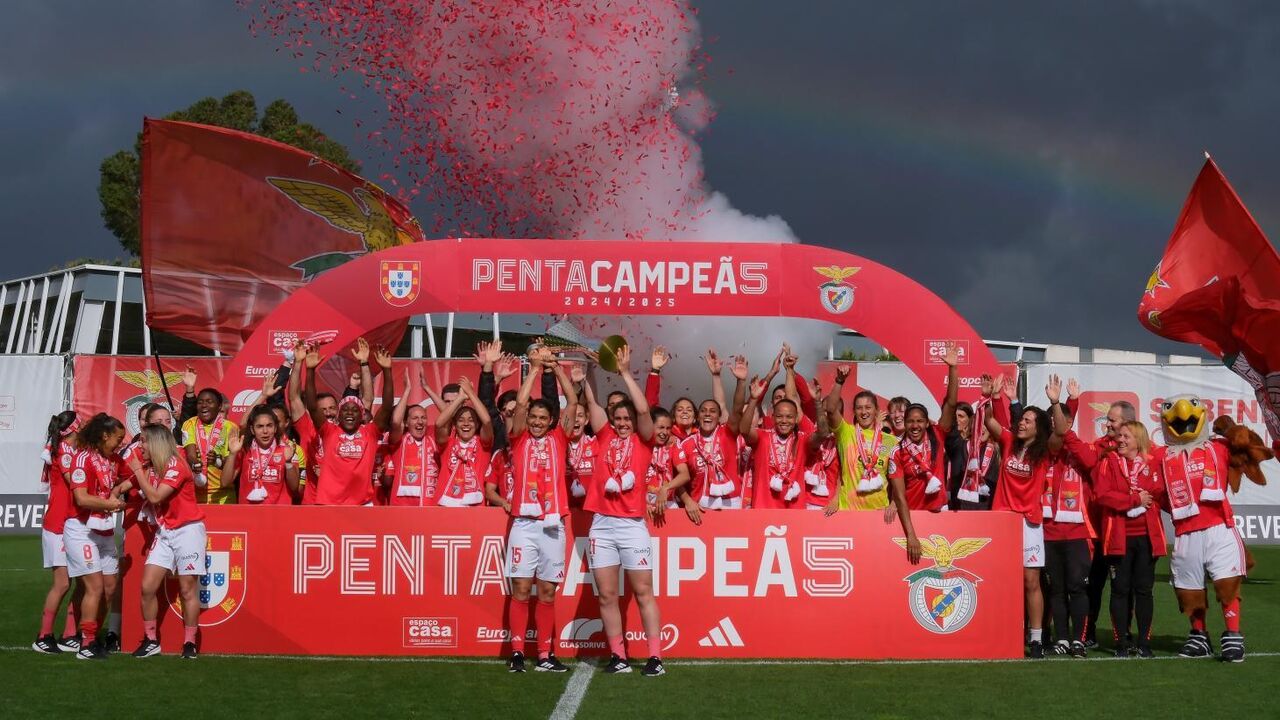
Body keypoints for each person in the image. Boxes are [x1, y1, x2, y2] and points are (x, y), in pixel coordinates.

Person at [584, 344, 665, 676]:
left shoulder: (644, 440)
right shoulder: (603, 436)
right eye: (617, 417)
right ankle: (618, 657)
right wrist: (588, 372)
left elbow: (645, 412)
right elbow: (591, 402)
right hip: (602, 524)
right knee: (606, 595)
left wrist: (625, 372)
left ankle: (655, 657)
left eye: (626, 418)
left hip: (632, 525)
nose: (621, 422)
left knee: (643, 592)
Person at [501, 347, 577, 672]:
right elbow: (519, 404)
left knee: (547, 591)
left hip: (552, 525)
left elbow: (572, 403)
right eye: (533, 418)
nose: (536, 422)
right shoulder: (518, 439)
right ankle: (518, 652)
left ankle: (545, 655)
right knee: (520, 588)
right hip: (523, 524)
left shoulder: (560, 438)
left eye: (542, 419)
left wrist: (556, 368)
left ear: (550, 422)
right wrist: (532, 368)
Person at [1068, 416, 1164, 658]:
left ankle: (1144, 643)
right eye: (1119, 436)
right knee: (1120, 590)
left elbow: (1159, 493)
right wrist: (1133, 499)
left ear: (1138, 441)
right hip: (1118, 538)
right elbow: (1102, 495)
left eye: (1125, 437)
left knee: (1144, 590)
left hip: (1147, 538)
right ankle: (1121, 643)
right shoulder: (1109, 462)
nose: (1119, 440)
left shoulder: (1153, 463)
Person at [982, 373, 1061, 659]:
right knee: (1001, 580)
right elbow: (991, 421)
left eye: (1028, 420)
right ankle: (1001, 632)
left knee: (1031, 582)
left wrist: (1055, 404)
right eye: (1022, 418)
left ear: (1038, 428)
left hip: (1029, 524)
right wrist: (991, 398)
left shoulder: (1044, 453)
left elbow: (1060, 433)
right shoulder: (1008, 441)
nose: (1022, 422)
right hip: (1003, 522)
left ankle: (1037, 638)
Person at [822, 368, 922, 566]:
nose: (864, 411)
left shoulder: (891, 441)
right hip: (848, 513)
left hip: (879, 517)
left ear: (876, 410)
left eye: (868, 407)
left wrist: (894, 503)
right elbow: (831, 409)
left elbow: (899, 483)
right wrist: (840, 381)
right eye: (859, 408)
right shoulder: (845, 433)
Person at [123, 425, 206, 659]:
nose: (141, 447)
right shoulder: (154, 467)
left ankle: (189, 643)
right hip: (165, 532)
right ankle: (151, 640)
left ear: (157, 443)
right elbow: (130, 484)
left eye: (144, 442)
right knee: (147, 587)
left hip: (188, 531)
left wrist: (138, 471)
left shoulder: (176, 465)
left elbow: (156, 496)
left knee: (187, 589)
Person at [1065, 379, 1131, 648]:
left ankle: (1125, 634)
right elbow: (1085, 456)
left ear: (1127, 423)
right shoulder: (1100, 446)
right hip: (1097, 530)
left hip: (1127, 531)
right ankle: (1088, 632)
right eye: (1108, 420)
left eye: (1113, 420)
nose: (1108, 424)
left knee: (1126, 588)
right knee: (1093, 585)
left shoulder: (1140, 450)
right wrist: (1070, 403)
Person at [1043, 376, 1103, 658]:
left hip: (1079, 533)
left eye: (1060, 423)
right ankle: (1062, 639)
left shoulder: (1083, 450)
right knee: (1056, 590)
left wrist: (1067, 404)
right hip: (1048, 532)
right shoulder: (1045, 453)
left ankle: (1079, 639)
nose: (1055, 427)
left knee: (1077, 589)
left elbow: (1089, 461)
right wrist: (1062, 406)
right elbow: (1056, 436)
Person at [64, 413, 128, 660]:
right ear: (105, 435)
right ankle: (86, 643)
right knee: (95, 587)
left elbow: (130, 475)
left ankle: (91, 635)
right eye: (118, 438)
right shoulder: (82, 459)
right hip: (81, 531)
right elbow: (81, 498)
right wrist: (110, 504)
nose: (120, 443)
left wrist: (120, 491)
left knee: (110, 589)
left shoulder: (110, 459)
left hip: (103, 529)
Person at [303, 342, 395, 506]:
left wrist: (387, 371)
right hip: (329, 503)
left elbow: (387, 407)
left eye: (354, 410)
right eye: (345, 410)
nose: (350, 413)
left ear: (362, 415)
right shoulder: (329, 431)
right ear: (338, 415)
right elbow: (311, 405)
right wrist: (310, 371)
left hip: (362, 504)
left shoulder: (370, 432)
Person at [739, 349, 819, 510]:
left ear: (795, 417)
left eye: (789, 416)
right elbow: (745, 427)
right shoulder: (765, 430)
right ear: (772, 414)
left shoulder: (802, 434)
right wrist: (755, 397)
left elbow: (792, 399)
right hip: (764, 507)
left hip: (794, 508)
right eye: (778, 399)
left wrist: (790, 371)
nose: (784, 420)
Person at [32, 411, 84, 654]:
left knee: (82, 581)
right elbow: (74, 483)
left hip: (71, 524)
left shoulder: (71, 450)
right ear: (75, 428)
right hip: (58, 526)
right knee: (62, 584)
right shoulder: (62, 452)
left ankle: (70, 634)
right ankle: (44, 636)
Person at [891, 345, 960, 513]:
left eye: (920, 421)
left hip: (939, 509)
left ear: (927, 423)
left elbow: (951, 403)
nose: (915, 426)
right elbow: (899, 492)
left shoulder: (937, 434)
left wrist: (953, 368)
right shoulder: (897, 451)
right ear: (905, 423)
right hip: (914, 512)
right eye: (910, 421)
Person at [677, 349, 748, 511]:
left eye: (713, 411)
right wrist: (688, 501)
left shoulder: (727, 434)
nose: (708, 413)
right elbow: (678, 479)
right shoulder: (686, 444)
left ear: (719, 417)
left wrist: (741, 382)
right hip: (701, 506)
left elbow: (736, 410)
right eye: (703, 411)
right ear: (697, 416)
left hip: (731, 503)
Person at [434, 376, 494, 507]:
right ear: (455, 424)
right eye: (461, 420)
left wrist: (471, 394)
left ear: (477, 425)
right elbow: (439, 424)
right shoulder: (447, 443)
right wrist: (460, 398)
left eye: (471, 420)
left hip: (475, 508)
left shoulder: (483, 444)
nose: (466, 424)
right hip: (445, 507)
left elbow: (487, 421)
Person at [223, 406, 301, 505]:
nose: (265, 431)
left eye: (269, 426)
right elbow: (225, 482)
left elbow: (294, 487)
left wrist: (288, 463)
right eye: (259, 426)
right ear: (252, 429)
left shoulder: (287, 450)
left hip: (277, 514)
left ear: (275, 428)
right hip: (249, 514)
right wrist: (233, 454)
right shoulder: (245, 450)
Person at [385, 369, 440, 506]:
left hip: (428, 503)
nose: (420, 422)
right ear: (407, 423)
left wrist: (427, 388)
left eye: (423, 418)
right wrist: (407, 390)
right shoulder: (400, 440)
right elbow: (396, 421)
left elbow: (448, 415)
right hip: (401, 505)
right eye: (415, 418)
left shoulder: (432, 436)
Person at [181, 388, 238, 504]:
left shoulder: (231, 427)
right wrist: (195, 464)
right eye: (200, 402)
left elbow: (232, 460)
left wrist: (218, 460)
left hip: (223, 495)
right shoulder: (189, 424)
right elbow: (190, 454)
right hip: (195, 495)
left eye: (209, 402)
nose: (204, 405)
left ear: (219, 406)